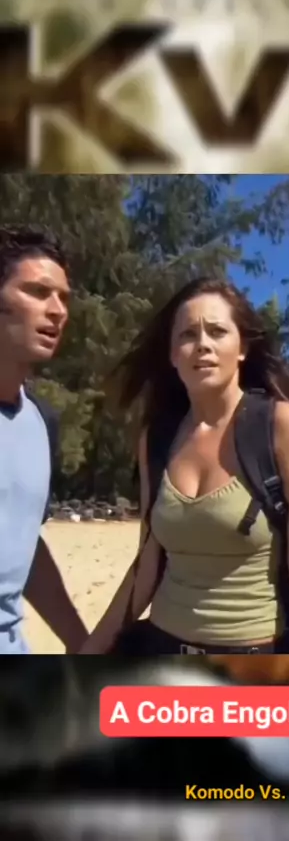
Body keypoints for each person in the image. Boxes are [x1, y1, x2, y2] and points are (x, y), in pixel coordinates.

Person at [80, 277, 289, 654]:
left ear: (242, 348)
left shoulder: (280, 426)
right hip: (161, 652)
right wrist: (89, 652)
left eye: (217, 331)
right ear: (172, 354)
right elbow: (147, 562)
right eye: (187, 335)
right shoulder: (158, 437)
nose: (203, 345)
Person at [0, 225, 88, 653]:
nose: (57, 311)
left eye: (64, 298)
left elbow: (23, 543)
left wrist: (79, 641)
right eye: (37, 292)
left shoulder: (40, 422)